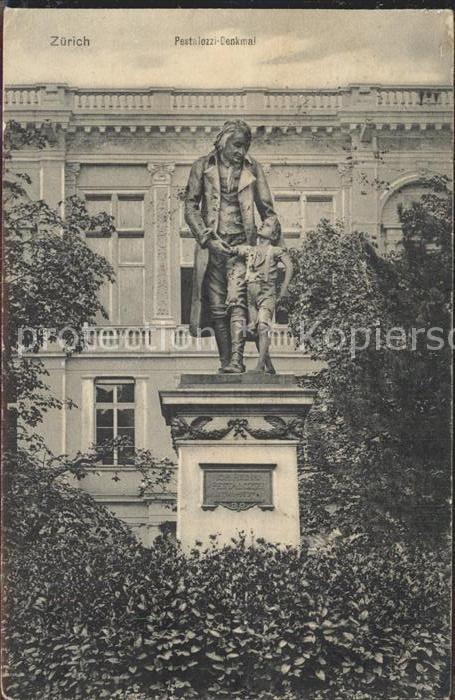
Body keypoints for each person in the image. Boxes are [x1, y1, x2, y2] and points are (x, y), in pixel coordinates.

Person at [184, 119, 277, 373]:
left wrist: (262, 243)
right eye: (237, 146)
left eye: (244, 147)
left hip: (241, 247)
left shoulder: (253, 168)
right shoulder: (201, 166)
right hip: (211, 247)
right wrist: (206, 237)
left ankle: (237, 360)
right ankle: (227, 364)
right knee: (216, 309)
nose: (241, 152)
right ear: (223, 142)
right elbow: (190, 207)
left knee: (236, 302)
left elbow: (269, 213)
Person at [229, 215, 293, 374]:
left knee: (263, 327)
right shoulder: (250, 250)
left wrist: (284, 289)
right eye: (263, 223)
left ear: (274, 234)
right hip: (251, 297)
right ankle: (269, 366)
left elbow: (290, 267)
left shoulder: (276, 250)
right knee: (257, 329)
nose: (263, 225)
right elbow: (230, 249)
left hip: (267, 294)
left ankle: (259, 366)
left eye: (268, 225)